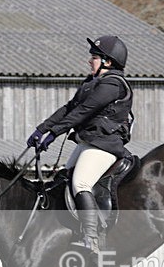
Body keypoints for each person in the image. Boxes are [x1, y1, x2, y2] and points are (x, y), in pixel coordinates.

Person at [26, 35, 133, 254]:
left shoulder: (113, 84)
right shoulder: (92, 83)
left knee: (81, 183)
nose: (89, 61)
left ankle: (91, 238)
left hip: (104, 145)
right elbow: (69, 108)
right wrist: (42, 129)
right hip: (89, 142)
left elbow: (83, 112)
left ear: (108, 62)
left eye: (94, 57)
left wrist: (55, 133)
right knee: (63, 178)